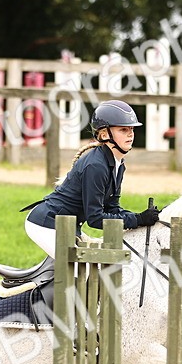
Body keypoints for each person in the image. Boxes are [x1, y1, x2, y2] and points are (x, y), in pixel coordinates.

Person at [23, 100, 159, 260]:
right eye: (123, 129)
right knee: (78, 268)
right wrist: (137, 219)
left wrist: (141, 218)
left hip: (68, 226)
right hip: (45, 224)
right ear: (104, 134)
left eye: (132, 129)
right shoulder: (96, 166)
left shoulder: (118, 164)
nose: (130, 134)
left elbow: (112, 208)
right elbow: (95, 219)